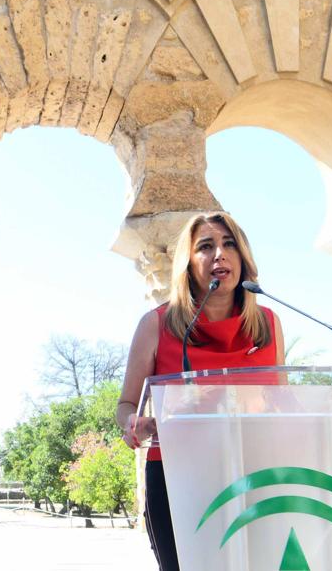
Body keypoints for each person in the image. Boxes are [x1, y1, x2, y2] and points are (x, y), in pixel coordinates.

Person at [116, 212, 284, 571]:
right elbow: (126, 405)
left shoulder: (268, 324)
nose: (219, 255)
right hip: (180, 480)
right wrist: (136, 423)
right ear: (189, 265)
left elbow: (282, 403)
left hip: (256, 475)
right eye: (205, 247)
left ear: (243, 258)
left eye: (229, 244)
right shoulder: (156, 325)